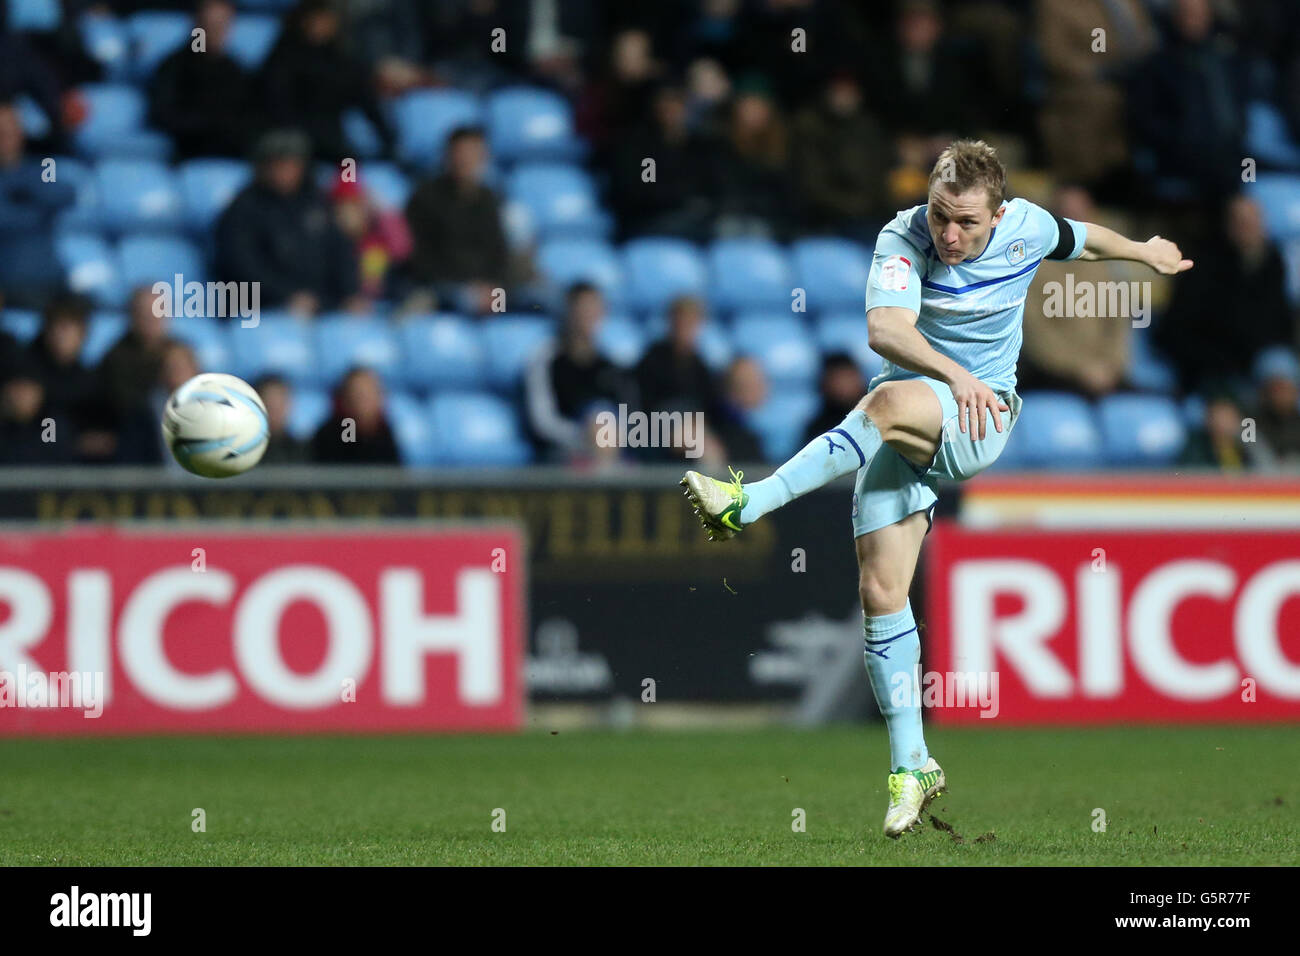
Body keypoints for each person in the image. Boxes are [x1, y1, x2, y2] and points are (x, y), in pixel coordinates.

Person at [680, 140, 1192, 838]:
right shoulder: (903, 235)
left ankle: (747, 502)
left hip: (980, 419)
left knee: (885, 405)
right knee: (881, 593)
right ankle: (912, 766)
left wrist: (1144, 249)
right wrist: (953, 375)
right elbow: (884, 330)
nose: (950, 234)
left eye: (967, 223)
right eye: (940, 215)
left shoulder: (1027, 228)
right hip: (919, 415)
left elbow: (1082, 240)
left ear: (1000, 214)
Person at [214, 129, 360, 315]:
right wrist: (285, 295)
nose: (285, 172)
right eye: (278, 165)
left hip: (322, 303)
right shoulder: (242, 209)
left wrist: (350, 293)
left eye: (292, 165)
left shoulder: (317, 202)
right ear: (263, 167)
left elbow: (341, 250)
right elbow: (240, 266)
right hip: (263, 307)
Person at [404, 126, 510, 315]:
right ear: (448, 155)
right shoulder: (425, 198)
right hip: (443, 287)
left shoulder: (490, 199)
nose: (465, 160)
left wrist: (493, 285)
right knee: (471, 301)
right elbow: (419, 256)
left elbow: (499, 251)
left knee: (538, 300)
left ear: (484, 157)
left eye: (472, 153)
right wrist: (471, 284)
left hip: (488, 287)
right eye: (460, 153)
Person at [523, 282, 635, 461]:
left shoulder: (610, 364)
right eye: (583, 309)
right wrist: (583, 436)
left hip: (611, 451)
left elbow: (628, 416)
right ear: (569, 312)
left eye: (594, 309)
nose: (588, 316)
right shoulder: (546, 359)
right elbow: (542, 421)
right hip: (562, 454)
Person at [148, 0, 254, 159]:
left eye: (222, 26)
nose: (217, 32)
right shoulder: (175, 66)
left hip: (230, 151)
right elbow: (164, 114)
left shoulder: (235, 69)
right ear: (196, 26)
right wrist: (209, 124)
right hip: (189, 151)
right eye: (210, 26)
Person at [0, 99, 75, 308]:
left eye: (10, 130)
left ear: (20, 132)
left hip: (49, 281)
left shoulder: (42, 168)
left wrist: (29, 189)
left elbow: (63, 194)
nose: (5, 138)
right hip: (7, 283)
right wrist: (32, 208)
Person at [310, 367, 400, 464]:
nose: (364, 402)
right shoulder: (336, 432)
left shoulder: (385, 431)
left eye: (370, 394)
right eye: (358, 395)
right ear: (345, 399)